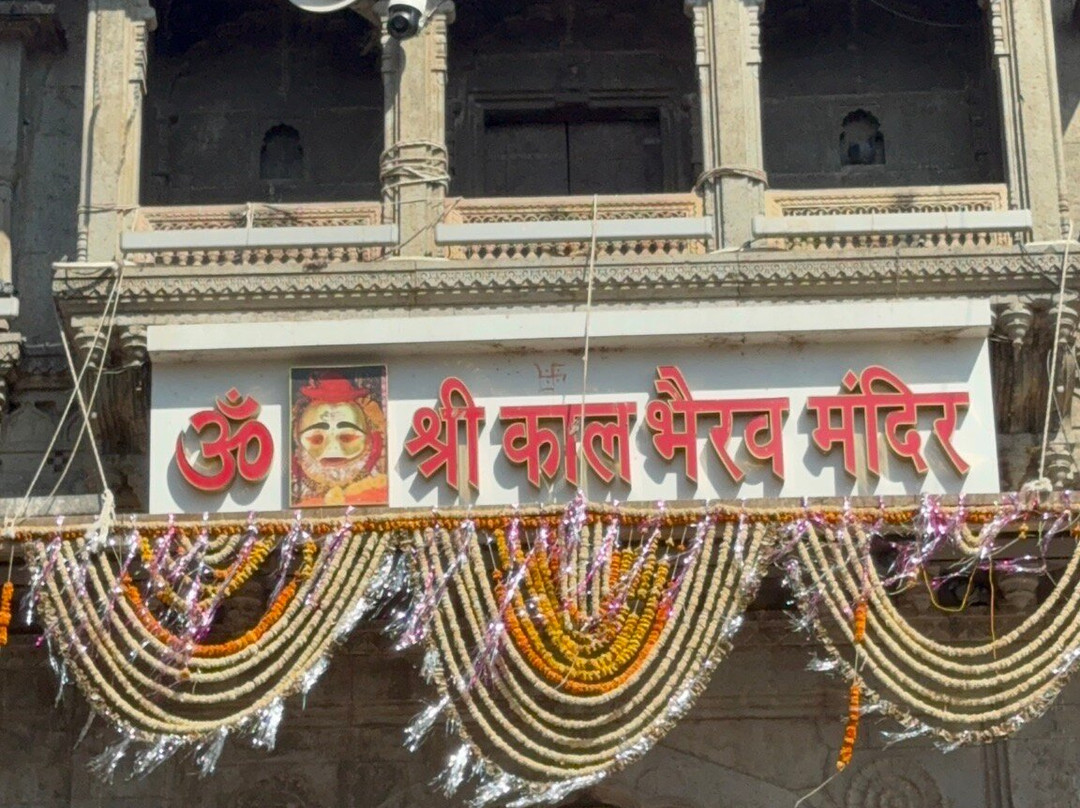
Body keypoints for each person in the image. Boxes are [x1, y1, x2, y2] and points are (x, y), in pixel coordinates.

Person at [291, 373, 388, 507]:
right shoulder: (295, 491)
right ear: (297, 437)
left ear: (370, 439)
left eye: (347, 437)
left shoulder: (378, 488)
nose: (332, 450)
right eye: (316, 439)